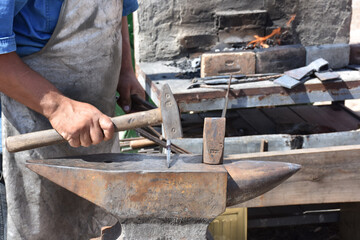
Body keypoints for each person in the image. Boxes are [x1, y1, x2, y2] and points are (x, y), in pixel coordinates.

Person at [0, 0, 145, 239]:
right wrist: (59, 109)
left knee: (99, 227)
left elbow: (119, 10)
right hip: (29, 141)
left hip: (99, 140)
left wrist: (125, 70)